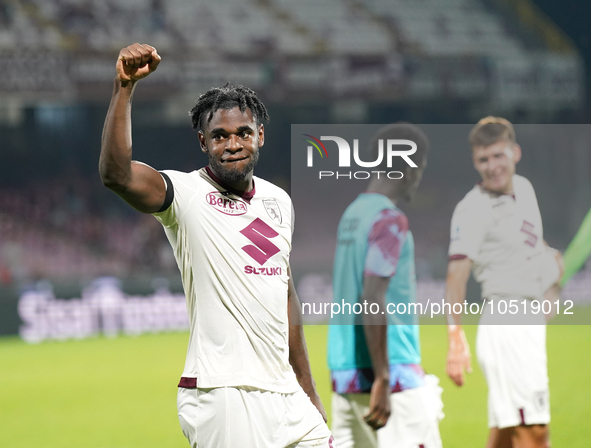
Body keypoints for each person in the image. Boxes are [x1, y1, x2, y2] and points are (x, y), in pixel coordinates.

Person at [99, 43, 334, 448]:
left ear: (260, 135)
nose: (233, 144)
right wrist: (124, 88)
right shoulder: (185, 193)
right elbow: (117, 175)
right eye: (219, 136)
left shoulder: (279, 201)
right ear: (203, 143)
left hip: (286, 395)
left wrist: (308, 388)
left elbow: (286, 294)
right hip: (222, 392)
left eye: (243, 133)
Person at [445, 117, 563, 448]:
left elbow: (532, 246)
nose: (492, 166)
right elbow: (456, 276)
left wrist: (552, 266)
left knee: (506, 432)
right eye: (484, 159)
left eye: (499, 156)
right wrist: (456, 339)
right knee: (535, 432)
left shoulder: (524, 188)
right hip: (507, 326)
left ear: (515, 152)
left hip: (527, 320)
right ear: (475, 162)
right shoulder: (472, 209)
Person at [327, 123, 443, 448]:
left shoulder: (352, 214)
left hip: (345, 376)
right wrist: (383, 376)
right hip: (391, 380)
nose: (419, 176)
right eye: (419, 166)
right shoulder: (389, 219)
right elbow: (372, 296)